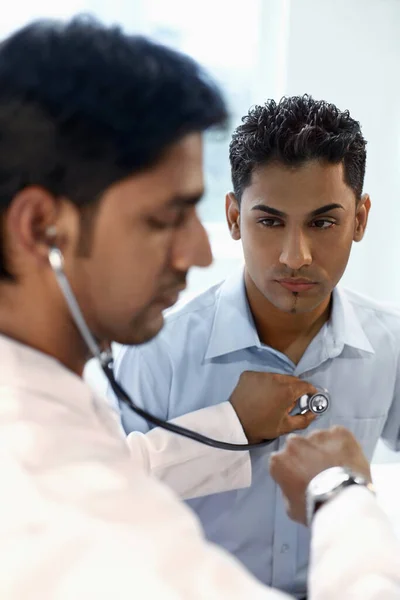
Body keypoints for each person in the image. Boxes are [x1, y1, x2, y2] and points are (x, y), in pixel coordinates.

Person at [0, 16, 399, 600]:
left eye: (323, 221)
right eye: (164, 218)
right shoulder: (42, 485)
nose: (203, 250)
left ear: (359, 218)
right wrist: (338, 492)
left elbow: (127, 466)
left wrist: (227, 429)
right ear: (41, 227)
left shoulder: (58, 403)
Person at [112, 95, 400, 597]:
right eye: (269, 222)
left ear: (360, 218)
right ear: (232, 217)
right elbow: (110, 505)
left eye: (323, 222)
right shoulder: (156, 350)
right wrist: (225, 428)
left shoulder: (391, 344)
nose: (296, 256)